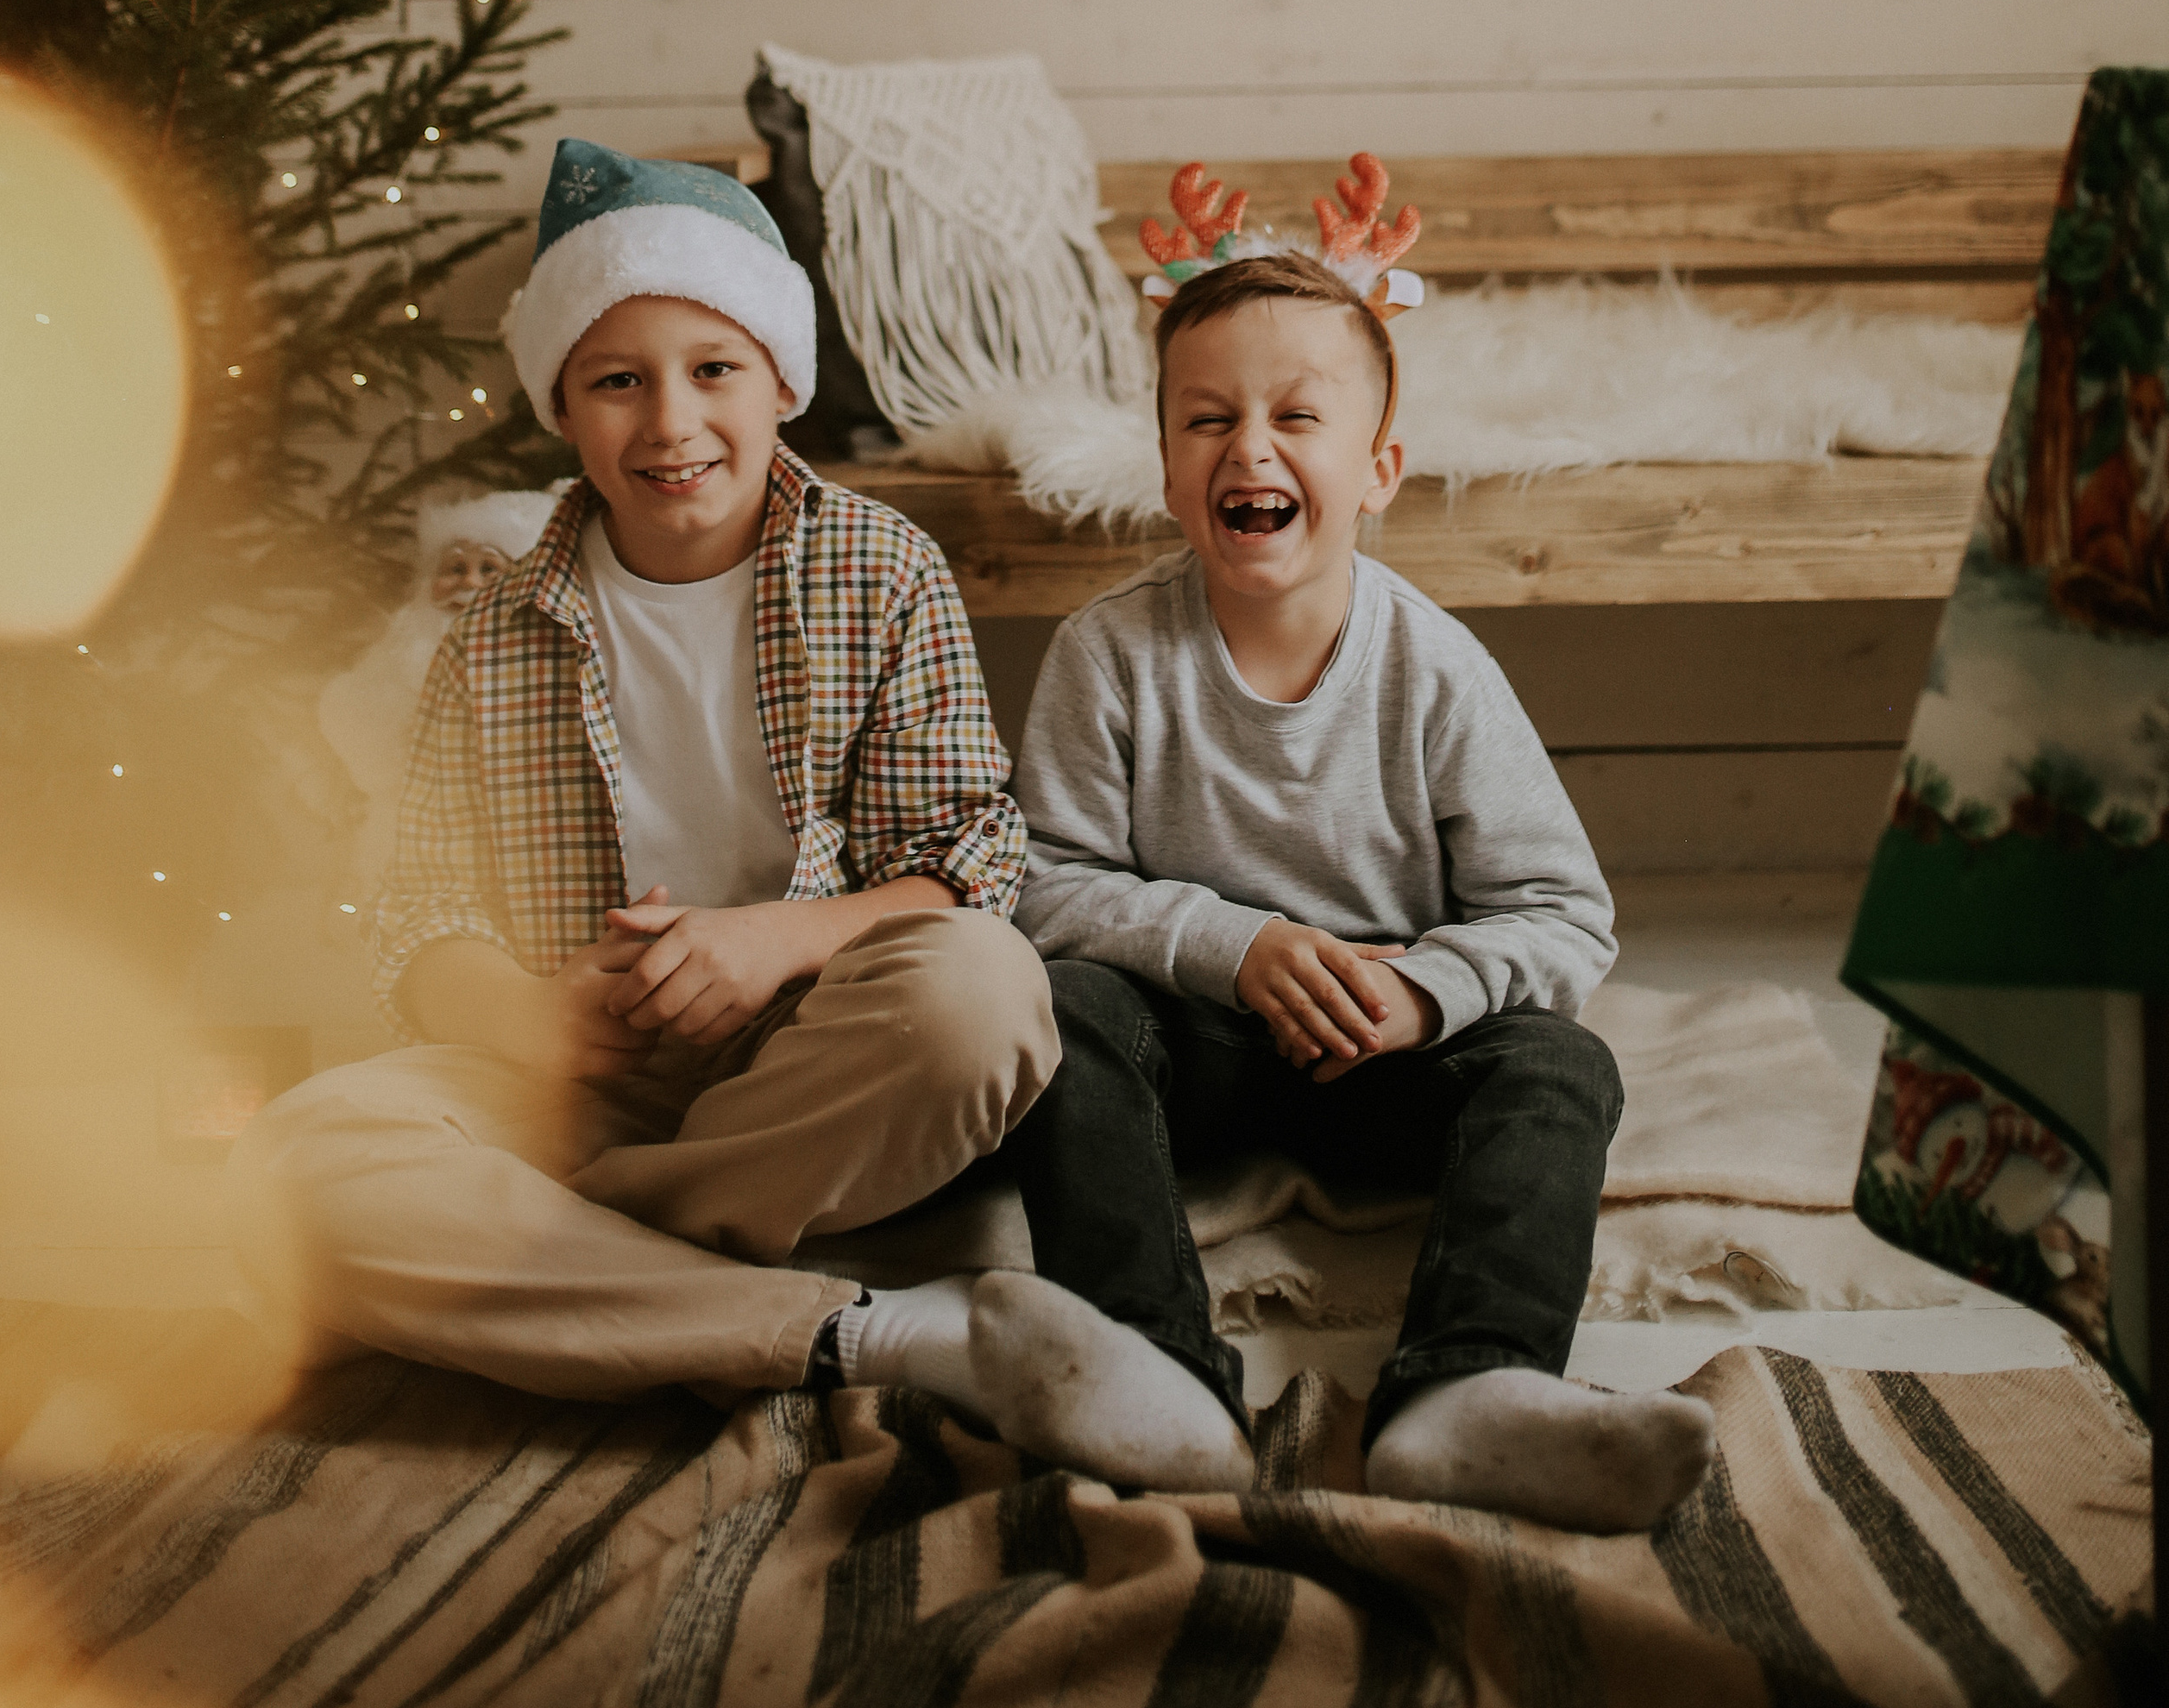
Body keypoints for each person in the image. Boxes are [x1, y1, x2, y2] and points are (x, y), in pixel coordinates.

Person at [230, 140, 1059, 1426]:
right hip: (573, 1083)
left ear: (781, 382)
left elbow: (967, 864)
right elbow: (422, 911)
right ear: (563, 408)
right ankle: (855, 1327)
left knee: (984, 997)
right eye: (619, 382)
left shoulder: (883, 573)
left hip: (809, 1064)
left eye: (713, 370)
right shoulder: (496, 630)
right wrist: (528, 1022)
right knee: (289, 1171)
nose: (671, 424)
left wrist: (774, 940)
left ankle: (570, 1265)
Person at [997, 248, 1719, 1528]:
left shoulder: (1436, 671)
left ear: (1379, 468)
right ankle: (1151, 1369)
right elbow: (1042, 885)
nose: (1249, 450)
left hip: (1384, 1051)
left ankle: (1468, 1391)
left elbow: (1562, 914)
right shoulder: (1108, 655)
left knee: (1560, 1066)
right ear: (1165, 466)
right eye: (1208, 420)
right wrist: (1236, 945)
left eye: (1296, 419)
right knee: (1061, 1008)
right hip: (1198, 1041)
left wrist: (1428, 996)